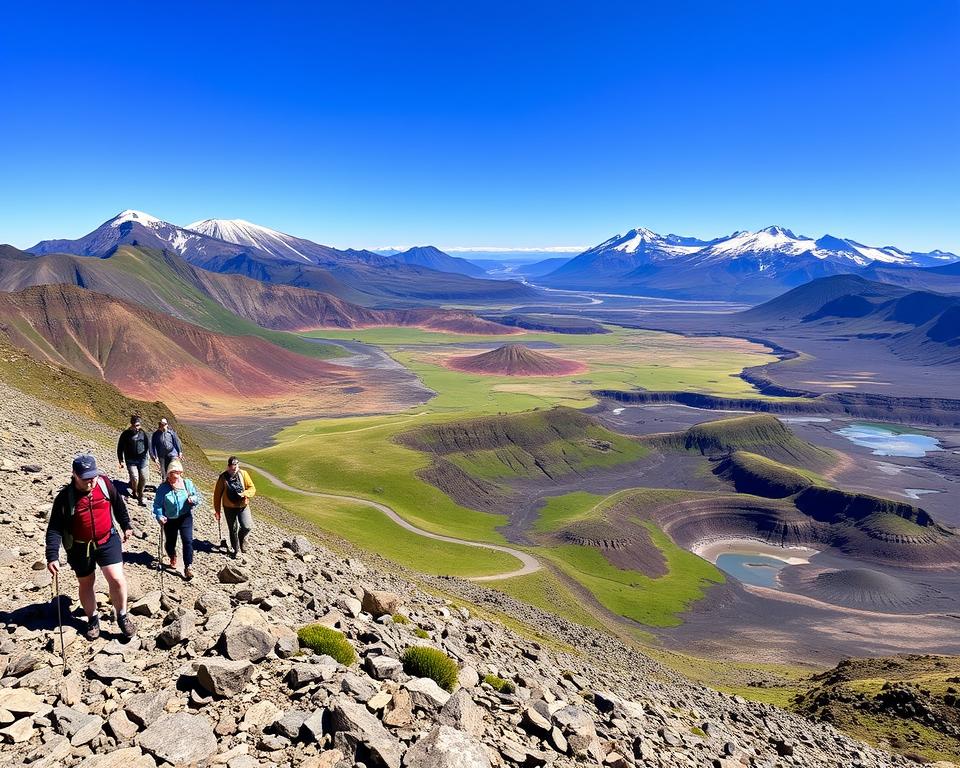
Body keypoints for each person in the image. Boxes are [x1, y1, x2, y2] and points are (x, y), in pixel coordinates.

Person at [45, 455, 136, 640]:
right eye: (85, 477)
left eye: (93, 476)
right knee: (86, 583)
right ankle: (92, 619)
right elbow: (54, 528)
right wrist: (52, 555)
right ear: (74, 475)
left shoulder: (104, 484)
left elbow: (118, 505)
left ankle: (122, 616)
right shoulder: (64, 498)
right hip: (79, 547)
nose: (90, 481)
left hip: (107, 540)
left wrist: (126, 525)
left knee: (117, 579)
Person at [153, 459, 200, 580]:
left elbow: (196, 497)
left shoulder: (187, 484)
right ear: (168, 475)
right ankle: (172, 555)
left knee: (188, 541)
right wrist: (159, 515)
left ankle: (188, 567)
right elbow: (157, 505)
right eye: (173, 476)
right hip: (170, 519)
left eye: (178, 475)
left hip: (185, 517)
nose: (176, 478)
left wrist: (192, 500)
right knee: (170, 543)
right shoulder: (163, 488)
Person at [213, 456, 257, 557]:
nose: (234, 469)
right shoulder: (223, 477)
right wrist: (217, 511)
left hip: (243, 505)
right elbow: (217, 495)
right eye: (232, 467)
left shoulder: (243, 474)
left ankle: (241, 538)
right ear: (228, 466)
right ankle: (236, 550)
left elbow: (252, 488)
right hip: (229, 507)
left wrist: (245, 493)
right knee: (233, 529)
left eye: (235, 466)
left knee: (247, 526)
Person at [117, 414, 150, 506]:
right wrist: (121, 460)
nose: (137, 428)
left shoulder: (143, 433)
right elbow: (120, 447)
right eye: (135, 426)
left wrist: (151, 457)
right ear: (131, 425)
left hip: (142, 459)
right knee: (135, 477)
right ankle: (134, 491)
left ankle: (141, 493)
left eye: (138, 425)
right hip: (130, 460)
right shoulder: (125, 434)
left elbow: (148, 445)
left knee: (143, 477)